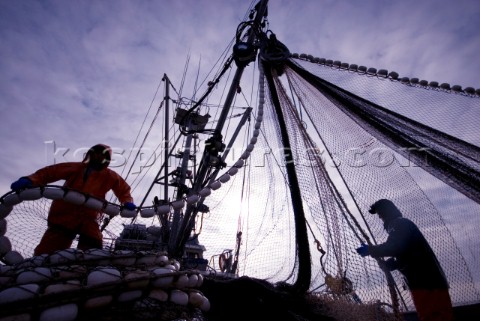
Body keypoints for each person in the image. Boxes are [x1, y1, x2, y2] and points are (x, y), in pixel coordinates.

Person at [10, 144, 136, 255]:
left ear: (107, 159)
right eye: (96, 154)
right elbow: (50, 173)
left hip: (89, 217)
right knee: (49, 250)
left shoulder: (111, 176)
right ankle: (40, 270)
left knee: (93, 249)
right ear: (90, 154)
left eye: (102, 156)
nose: (98, 157)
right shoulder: (75, 167)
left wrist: (127, 202)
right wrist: (31, 179)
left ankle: (87, 273)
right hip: (64, 216)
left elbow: (123, 191)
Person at [355, 199, 454, 321]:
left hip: (426, 283)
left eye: (381, 214)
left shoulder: (398, 224)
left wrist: (370, 250)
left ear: (387, 213)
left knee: (434, 317)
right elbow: (409, 252)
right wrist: (395, 264)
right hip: (427, 282)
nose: (381, 218)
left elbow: (395, 246)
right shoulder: (402, 224)